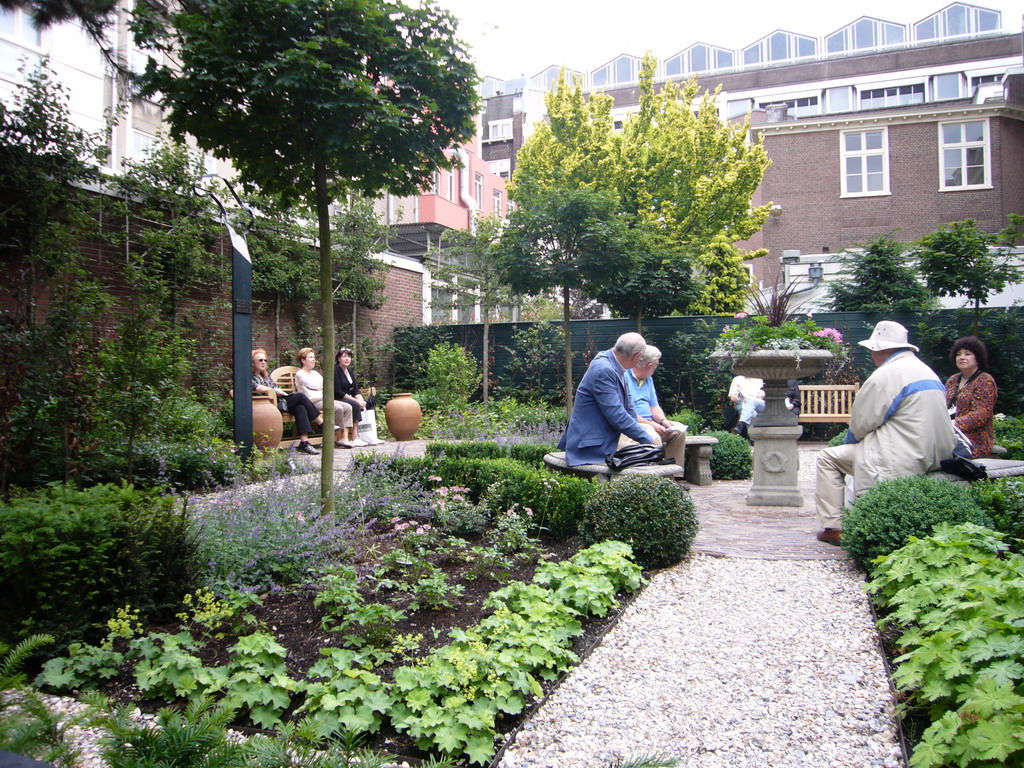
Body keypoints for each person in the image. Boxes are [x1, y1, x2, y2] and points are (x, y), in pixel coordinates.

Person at [814, 321, 955, 545]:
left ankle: (834, 528)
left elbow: (860, 425)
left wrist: (856, 446)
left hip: (902, 457)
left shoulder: (885, 375)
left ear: (879, 350)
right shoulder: (926, 371)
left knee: (828, 458)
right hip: (937, 454)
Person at [558, 332, 651, 466]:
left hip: (607, 438)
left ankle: (669, 483)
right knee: (654, 444)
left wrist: (644, 435)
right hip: (592, 446)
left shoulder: (616, 364)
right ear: (636, 356)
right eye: (641, 357)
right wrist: (647, 439)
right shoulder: (604, 370)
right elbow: (616, 415)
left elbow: (629, 407)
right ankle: (662, 485)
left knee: (657, 439)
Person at [619, 345, 687, 466]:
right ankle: (657, 478)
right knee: (652, 434)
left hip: (650, 423)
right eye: (656, 365)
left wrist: (663, 421)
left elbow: (654, 407)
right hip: (633, 424)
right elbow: (627, 412)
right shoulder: (623, 377)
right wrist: (651, 424)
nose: (656, 367)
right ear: (649, 365)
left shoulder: (648, 379)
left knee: (678, 432)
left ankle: (673, 476)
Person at [251, 348, 321, 455]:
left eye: (265, 360)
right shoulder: (249, 377)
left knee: (300, 407)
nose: (263, 362)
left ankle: (304, 442)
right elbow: (256, 387)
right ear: (252, 362)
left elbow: (275, 387)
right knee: (301, 396)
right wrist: (273, 390)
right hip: (268, 406)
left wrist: (279, 391)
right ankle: (320, 422)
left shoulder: (266, 376)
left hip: (279, 402)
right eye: (260, 360)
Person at [294, 348, 359, 448]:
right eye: (311, 357)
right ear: (303, 360)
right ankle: (338, 437)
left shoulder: (315, 373)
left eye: (314, 357)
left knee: (348, 407)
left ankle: (344, 438)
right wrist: (319, 386)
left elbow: (325, 384)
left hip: (323, 399)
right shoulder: (300, 373)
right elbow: (314, 385)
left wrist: (319, 385)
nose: (313, 360)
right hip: (312, 402)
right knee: (338, 408)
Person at [945, 336, 997, 458]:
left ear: (978, 358)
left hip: (974, 440)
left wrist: (954, 423)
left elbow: (982, 414)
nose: (962, 357)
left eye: (967, 354)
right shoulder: (952, 380)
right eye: (958, 354)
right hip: (949, 434)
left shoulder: (985, 380)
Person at [334, 348, 369, 441]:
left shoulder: (349, 371)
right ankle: (354, 435)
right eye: (344, 357)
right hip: (338, 398)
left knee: (365, 402)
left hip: (349, 398)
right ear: (338, 359)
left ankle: (363, 434)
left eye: (349, 357)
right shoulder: (336, 371)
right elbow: (338, 391)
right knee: (355, 404)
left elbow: (355, 389)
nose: (347, 359)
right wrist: (356, 401)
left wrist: (360, 399)